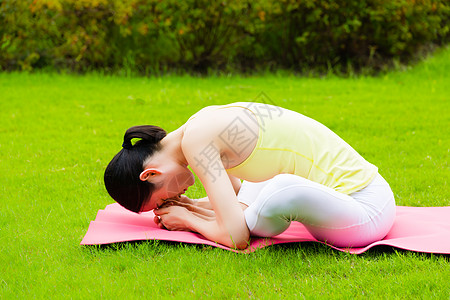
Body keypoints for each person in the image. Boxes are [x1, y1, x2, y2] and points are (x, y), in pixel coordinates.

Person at [104, 102, 395, 249]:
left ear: (151, 174)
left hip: (364, 212)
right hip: (351, 204)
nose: (174, 198)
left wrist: (187, 218)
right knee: (259, 191)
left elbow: (236, 236)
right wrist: (191, 205)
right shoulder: (197, 125)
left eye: (162, 199)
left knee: (277, 190)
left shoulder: (197, 141)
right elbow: (237, 194)